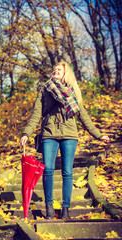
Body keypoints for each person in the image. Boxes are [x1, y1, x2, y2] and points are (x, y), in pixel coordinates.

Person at [20, 61, 110, 219]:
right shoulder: (45, 90)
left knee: (67, 172)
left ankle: (65, 209)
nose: (55, 71)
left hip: (69, 135)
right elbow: (36, 114)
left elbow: (84, 117)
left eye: (59, 70)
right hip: (49, 133)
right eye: (54, 69)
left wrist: (99, 135)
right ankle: (49, 207)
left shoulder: (73, 92)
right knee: (48, 170)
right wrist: (26, 133)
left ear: (65, 73)